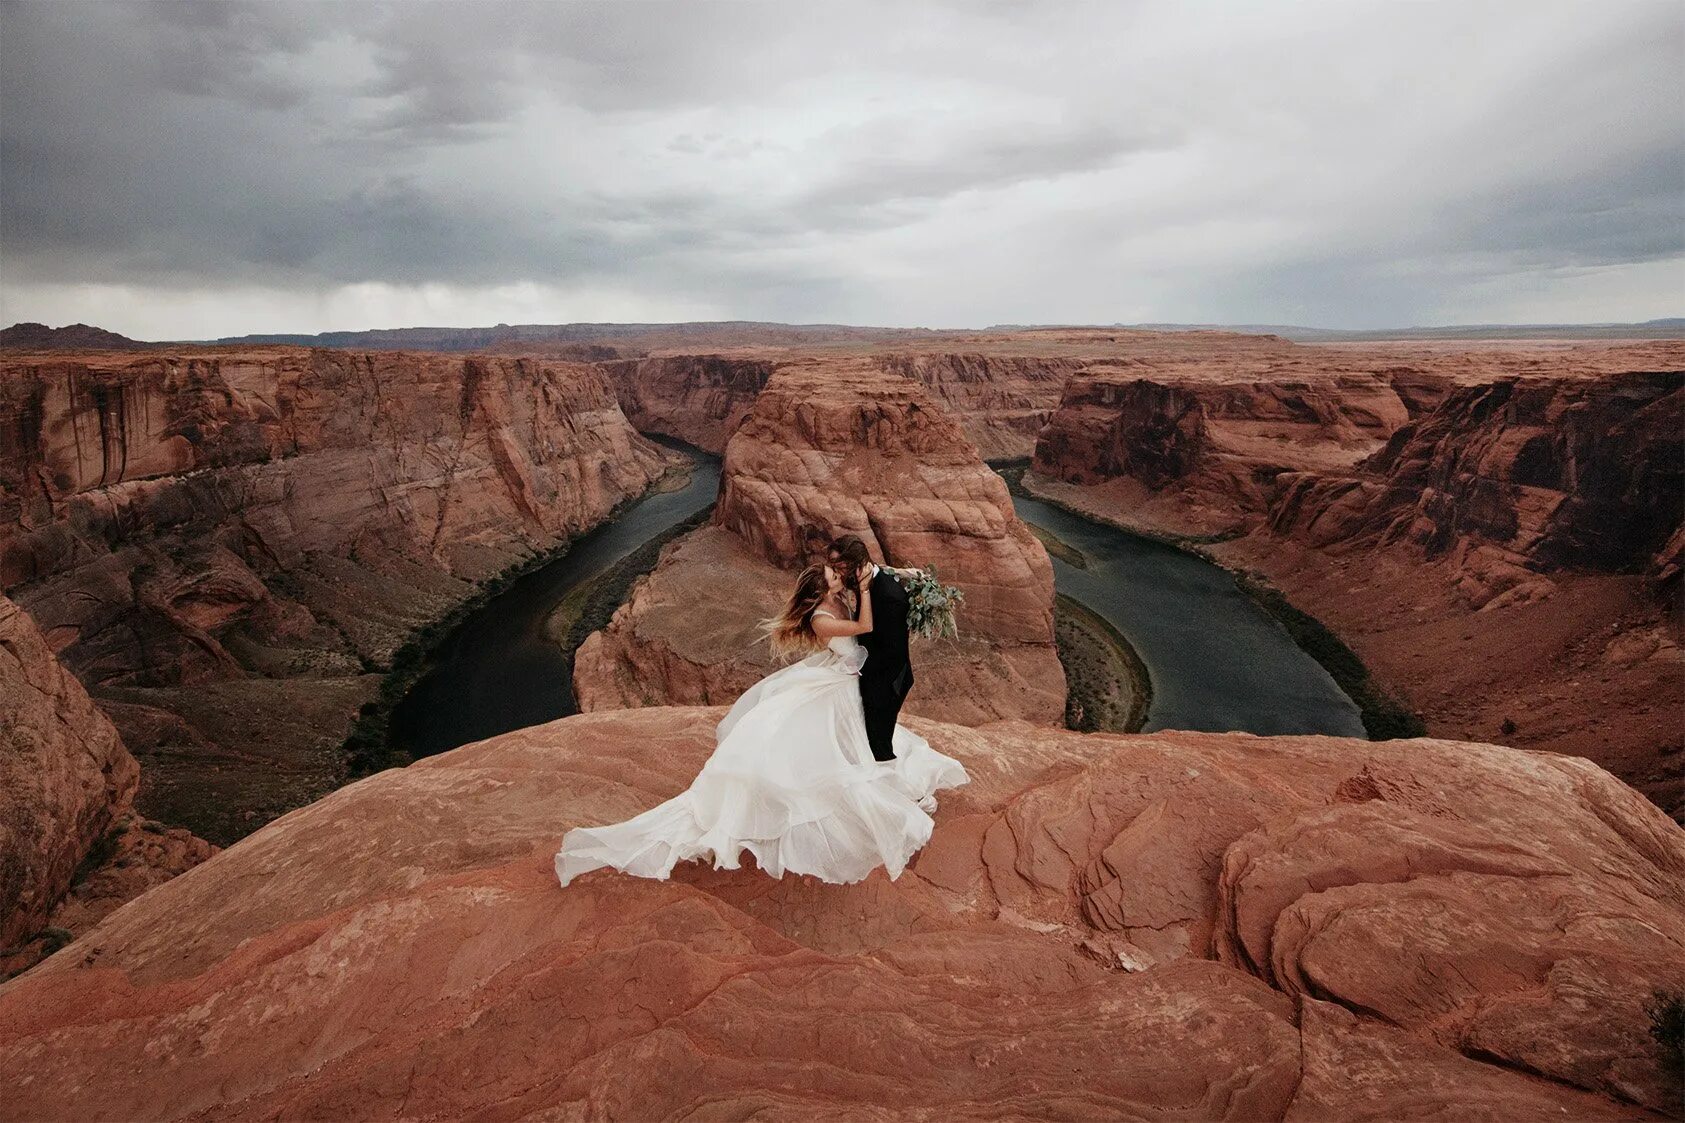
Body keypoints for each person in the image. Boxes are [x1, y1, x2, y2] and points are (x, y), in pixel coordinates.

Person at [554, 561, 969, 887]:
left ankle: (879, 777)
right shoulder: (824, 618)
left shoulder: (835, 599)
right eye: (832, 577)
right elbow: (866, 628)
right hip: (843, 684)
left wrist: (899, 578)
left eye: (838, 574)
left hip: (850, 681)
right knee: (835, 757)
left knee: (858, 742)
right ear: (821, 592)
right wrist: (866, 591)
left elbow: (871, 578)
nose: (839, 578)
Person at [826, 534, 922, 762]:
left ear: (857, 565)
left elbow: (892, 651)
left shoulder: (889, 596)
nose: (837, 573)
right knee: (866, 742)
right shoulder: (868, 582)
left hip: (887, 683)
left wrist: (862, 675)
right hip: (875, 678)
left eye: (840, 567)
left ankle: (894, 793)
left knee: (878, 745)